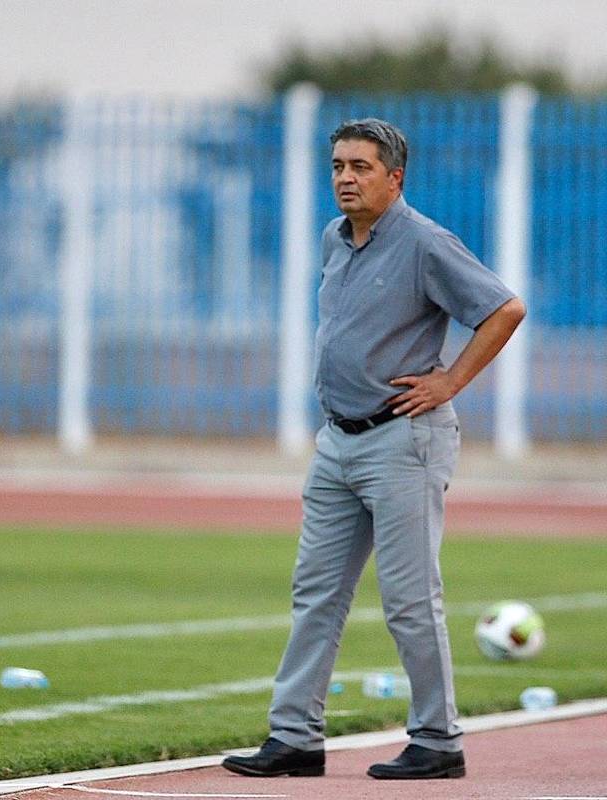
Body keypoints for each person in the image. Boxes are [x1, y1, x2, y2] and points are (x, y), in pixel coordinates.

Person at [222, 119, 525, 780]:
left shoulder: (425, 243)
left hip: (403, 440)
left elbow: (505, 309)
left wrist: (450, 381)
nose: (345, 178)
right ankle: (295, 737)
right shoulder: (334, 238)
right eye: (338, 166)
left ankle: (438, 740)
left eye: (360, 167)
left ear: (395, 177)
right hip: (338, 441)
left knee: (410, 600)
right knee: (315, 594)